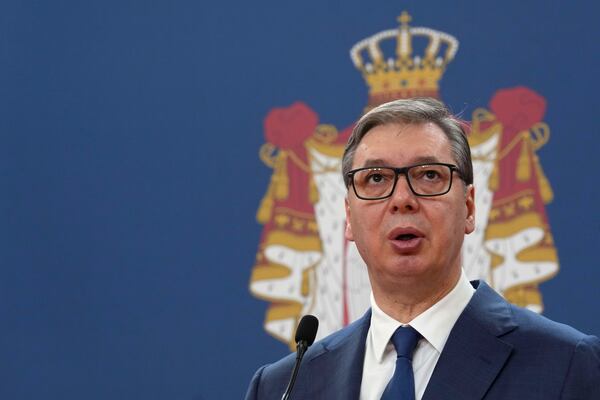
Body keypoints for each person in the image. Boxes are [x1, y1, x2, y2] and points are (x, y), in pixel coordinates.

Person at [244, 98, 600, 400]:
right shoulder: (284, 386)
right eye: (376, 179)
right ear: (349, 218)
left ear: (470, 208)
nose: (402, 199)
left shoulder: (566, 364)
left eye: (429, 175)